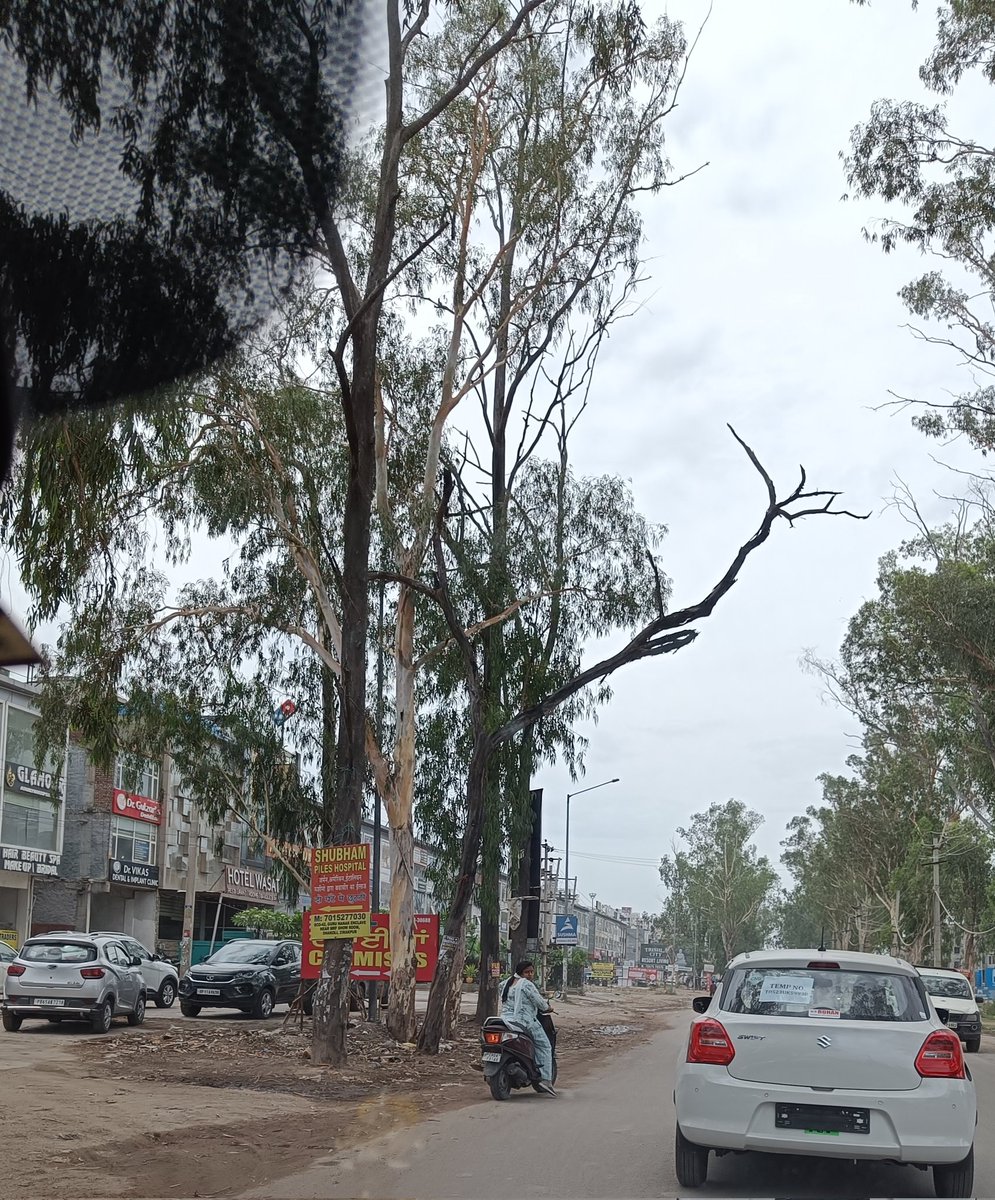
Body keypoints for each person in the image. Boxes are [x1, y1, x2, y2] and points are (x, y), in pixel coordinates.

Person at [500, 960, 557, 1095]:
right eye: (527, 972)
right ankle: (546, 1080)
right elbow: (540, 1003)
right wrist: (548, 1007)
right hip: (525, 1021)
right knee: (544, 1046)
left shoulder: (505, 983)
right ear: (521, 972)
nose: (530, 974)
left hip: (505, 1020)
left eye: (531, 971)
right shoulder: (526, 985)